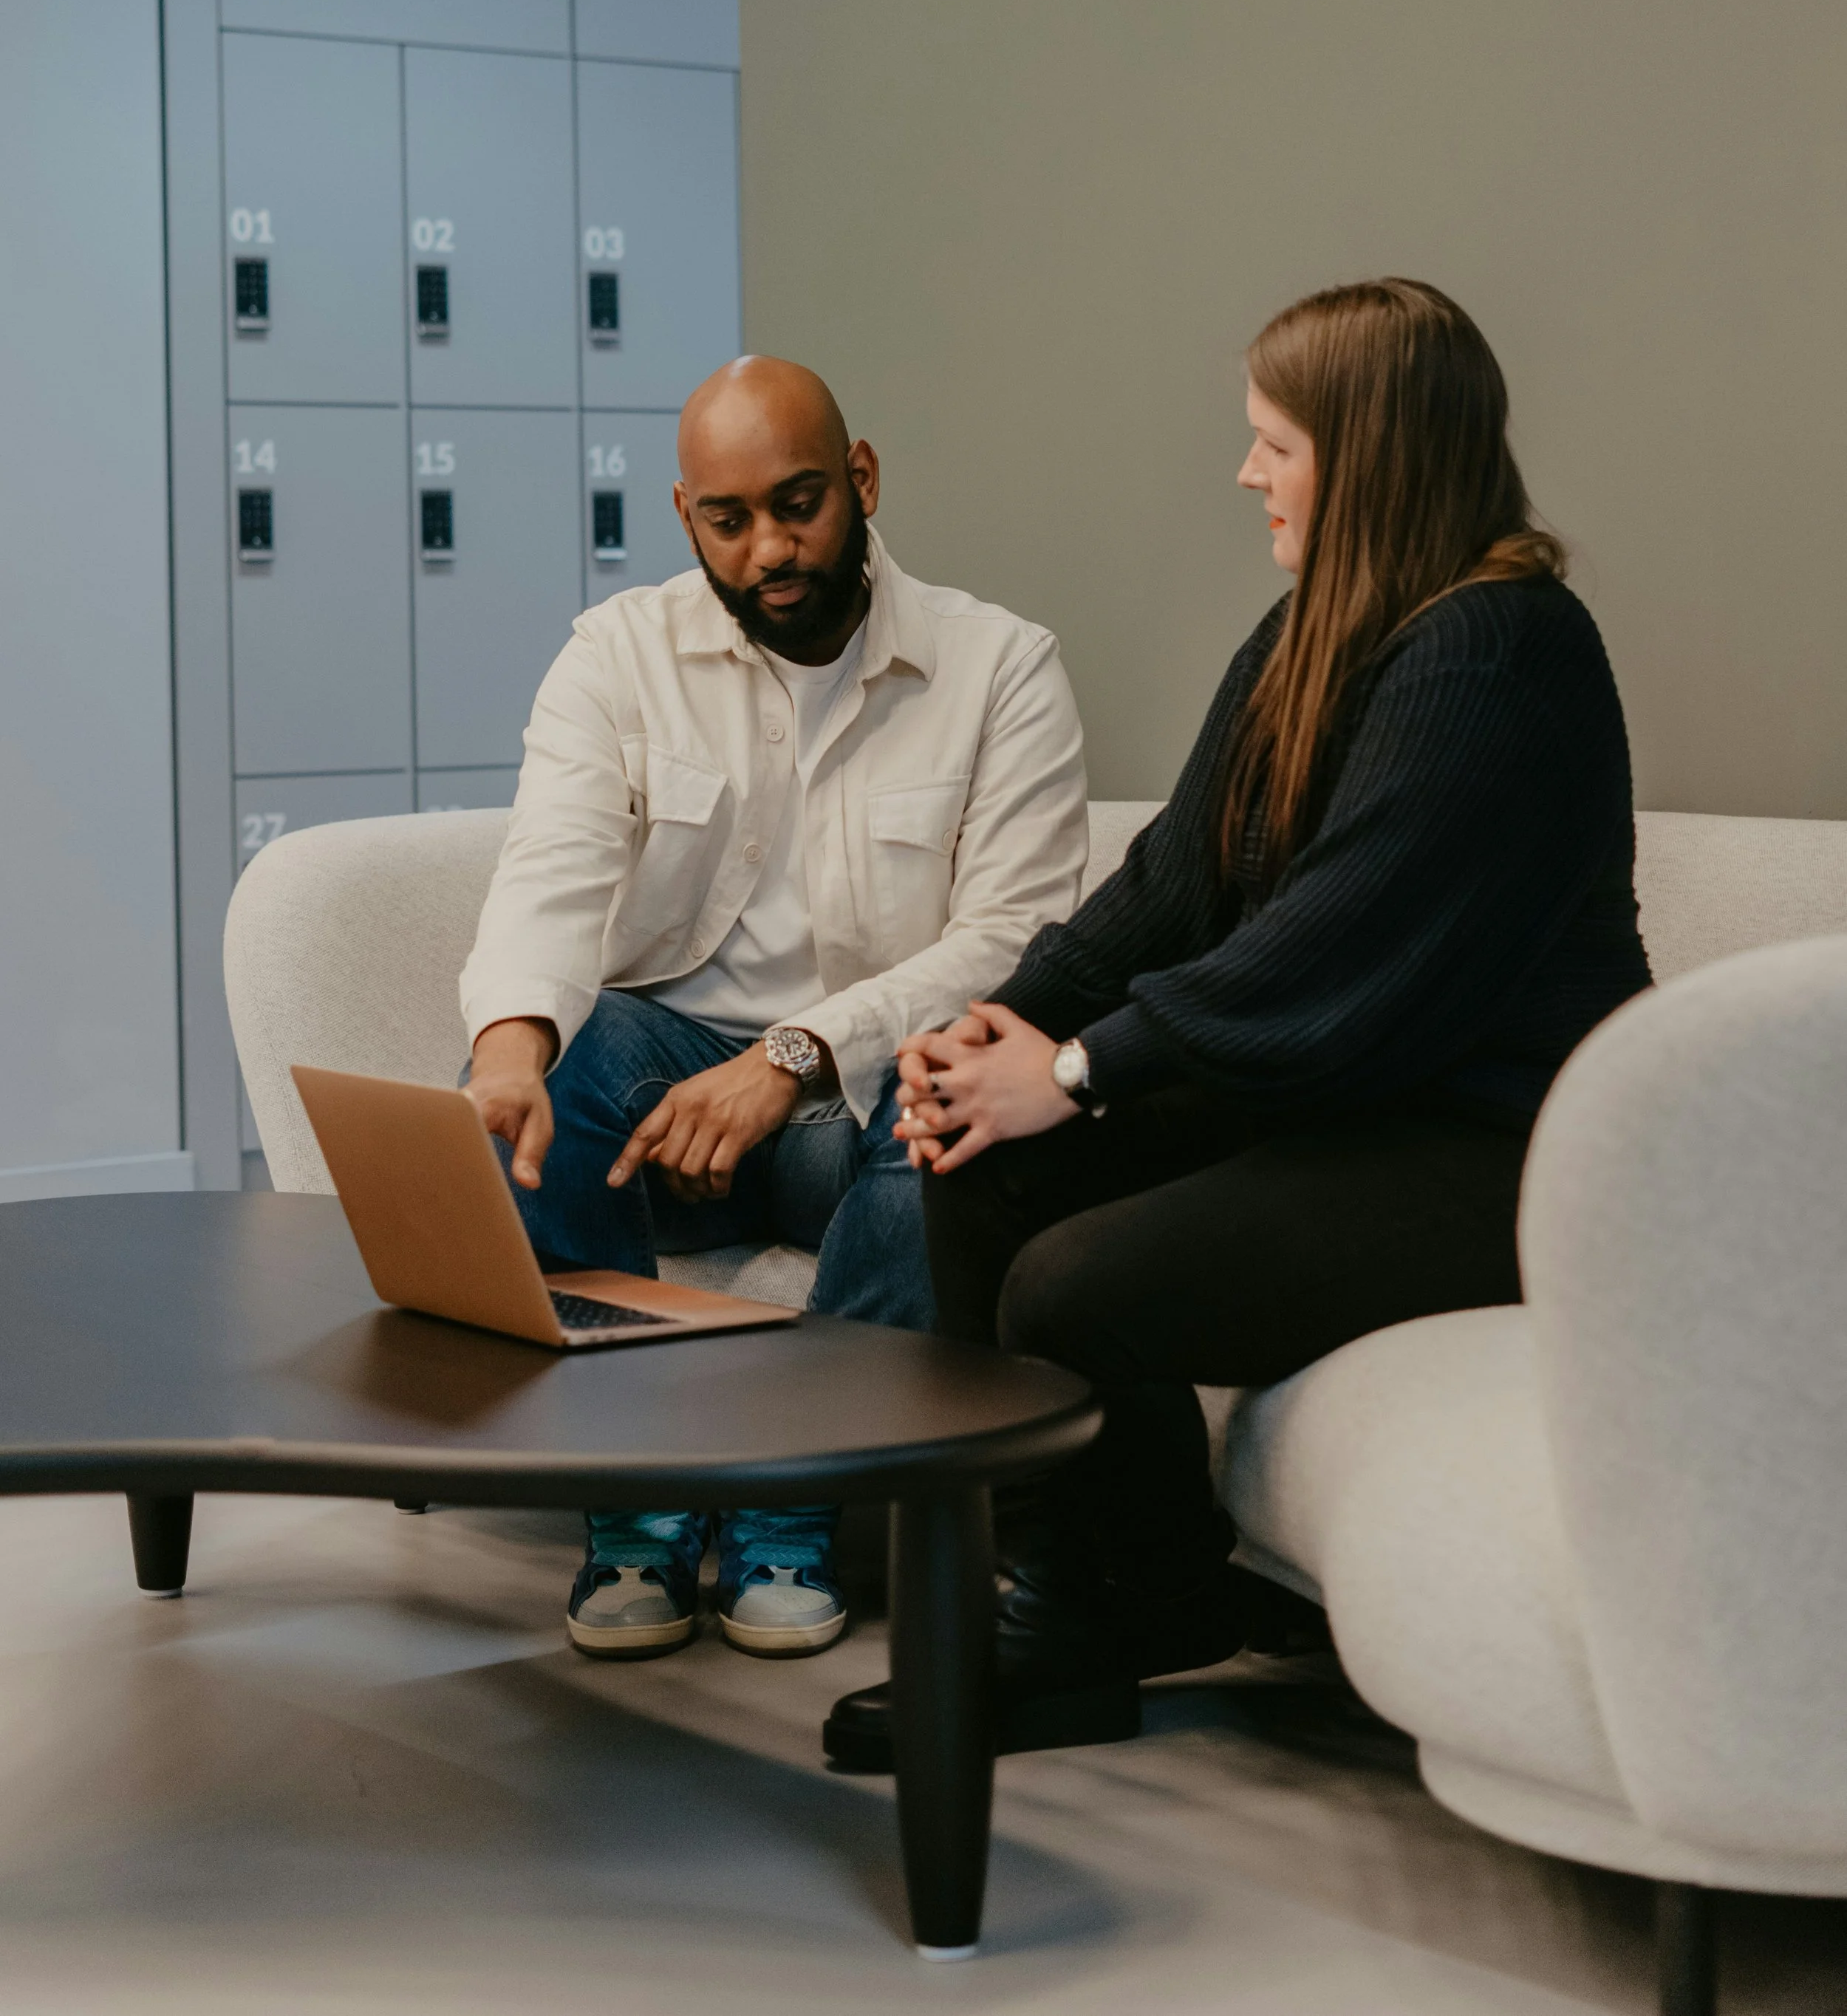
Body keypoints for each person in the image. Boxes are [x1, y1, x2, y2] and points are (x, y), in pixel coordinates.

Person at [824, 277, 1653, 1769]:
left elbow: (1331, 953)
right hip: (1358, 1101)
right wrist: (996, 1029)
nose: (1245, 473)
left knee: (1076, 1279)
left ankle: (1115, 1596)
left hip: (1503, 1147)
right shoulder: (1311, 630)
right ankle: (1106, 1595)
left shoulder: (1502, 652)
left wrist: (1073, 1072)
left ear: (1371, 452)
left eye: (1274, 443)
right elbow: (1166, 888)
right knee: (977, 1162)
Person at [461, 356, 1088, 1663]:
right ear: (687, 516)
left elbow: (1010, 940)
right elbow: (556, 864)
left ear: (860, 478)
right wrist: (508, 1045)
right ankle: (634, 1507)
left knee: (947, 1125)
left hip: (861, 1091)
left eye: (799, 503)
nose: (771, 550)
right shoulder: (617, 656)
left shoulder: (1000, 667)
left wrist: (799, 1055)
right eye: (729, 521)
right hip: (664, 1084)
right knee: (563, 1077)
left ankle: (786, 1507)